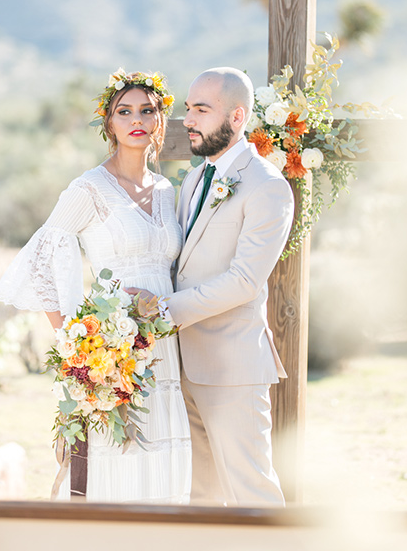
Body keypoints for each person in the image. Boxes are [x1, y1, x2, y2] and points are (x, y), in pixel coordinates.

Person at [0, 70, 191, 503]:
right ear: (109, 123)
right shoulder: (89, 188)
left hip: (163, 346)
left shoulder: (164, 190)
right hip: (114, 352)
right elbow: (40, 261)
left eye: (147, 110)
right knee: (111, 457)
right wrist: (78, 344)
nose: (136, 119)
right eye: (124, 111)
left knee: (160, 449)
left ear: (160, 120)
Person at [129, 67, 294, 507]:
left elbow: (243, 281)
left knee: (252, 491)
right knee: (200, 497)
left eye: (202, 109)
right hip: (182, 366)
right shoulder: (195, 178)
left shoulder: (268, 187)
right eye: (188, 108)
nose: (189, 119)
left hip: (232, 369)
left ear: (237, 116)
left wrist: (163, 310)